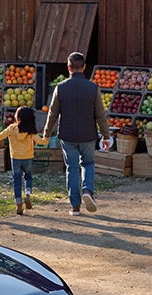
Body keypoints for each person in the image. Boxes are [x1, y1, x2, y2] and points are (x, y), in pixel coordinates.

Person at [45, 52, 106, 215]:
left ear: (69, 67)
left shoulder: (61, 87)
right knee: (88, 164)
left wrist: (46, 132)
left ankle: (75, 206)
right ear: (84, 67)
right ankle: (87, 190)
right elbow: (100, 114)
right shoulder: (93, 88)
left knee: (71, 168)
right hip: (88, 134)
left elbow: (53, 113)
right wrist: (106, 135)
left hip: (67, 135)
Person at [0, 106, 45, 215]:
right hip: (28, 157)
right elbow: (41, 141)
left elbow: (0, 136)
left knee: (17, 180)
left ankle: (18, 203)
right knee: (28, 177)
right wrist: (47, 137)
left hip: (15, 158)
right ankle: (27, 194)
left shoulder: (12, 128)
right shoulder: (31, 131)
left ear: (17, 117)